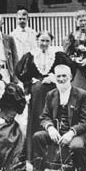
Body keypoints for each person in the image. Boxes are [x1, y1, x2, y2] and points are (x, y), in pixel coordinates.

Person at [30, 64, 86, 171]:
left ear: (70, 77)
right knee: (38, 137)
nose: (61, 79)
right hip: (57, 132)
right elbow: (44, 116)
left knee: (77, 147)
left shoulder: (81, 95)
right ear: (55, 78)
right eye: (58, 76)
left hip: (76, 134)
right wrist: (50, 128)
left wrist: (71, 132)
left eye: (64, 76)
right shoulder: (51, 94)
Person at [17, 30, 72, 159]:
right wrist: (31, 81)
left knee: (53, 119)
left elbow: (69, 70)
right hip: (36, 94)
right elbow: (20, 72)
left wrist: (55, 77)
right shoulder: (30, 56)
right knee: (37, 119)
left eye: (47, 41)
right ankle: (34, 155)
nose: (44, 43)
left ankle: (53, 157)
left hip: (53, 93)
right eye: (42, 40)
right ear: (37, 41)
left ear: (51, 42)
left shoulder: (57, 56)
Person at [65, 11, 86, 97]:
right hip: (76, 68)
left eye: (85, 20)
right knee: (77, 91)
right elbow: (68, 52)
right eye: (80, 20)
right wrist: (75, 59)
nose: (83, 23)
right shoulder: (72, 36)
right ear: (76, 22)